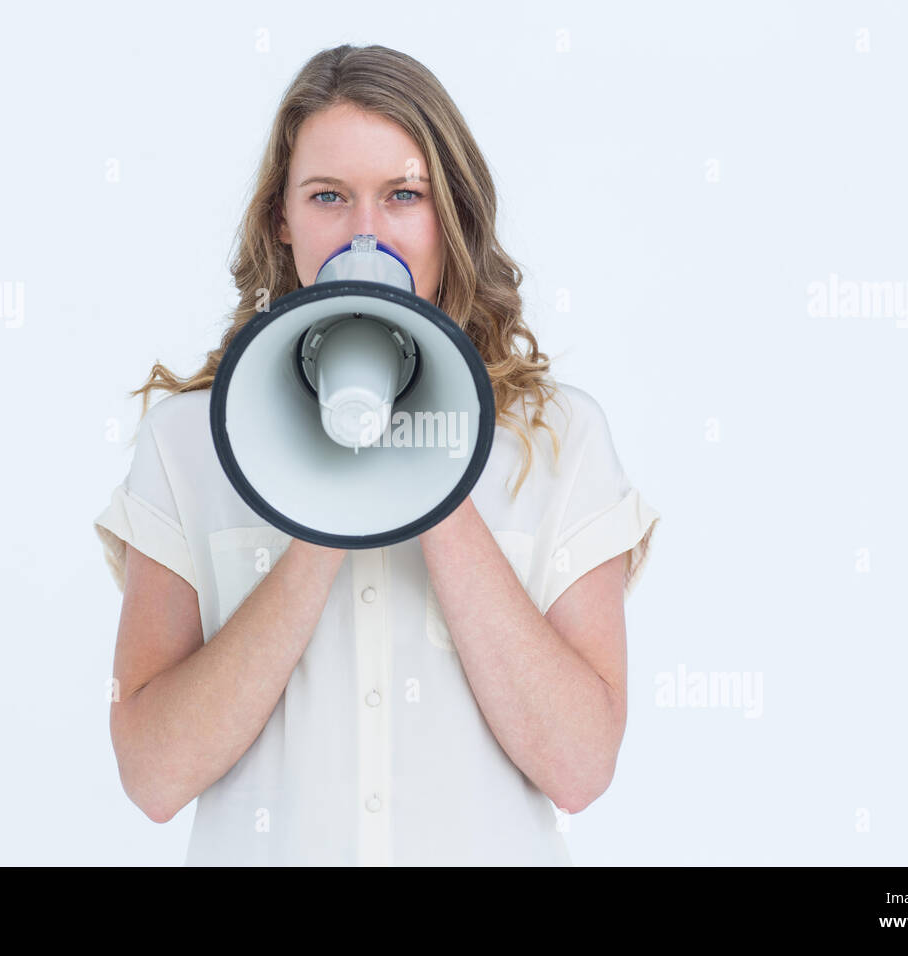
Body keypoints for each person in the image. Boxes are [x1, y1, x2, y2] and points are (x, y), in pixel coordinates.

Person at [92, 43, 661, 866]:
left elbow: (580, 767)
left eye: (403, 195)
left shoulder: (559, 441)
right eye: (328, 196)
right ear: (281, 220)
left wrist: (429, 475)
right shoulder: (189, 444)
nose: (366, 231)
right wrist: (325, 499)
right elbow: (152, 776)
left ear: (449, 215)